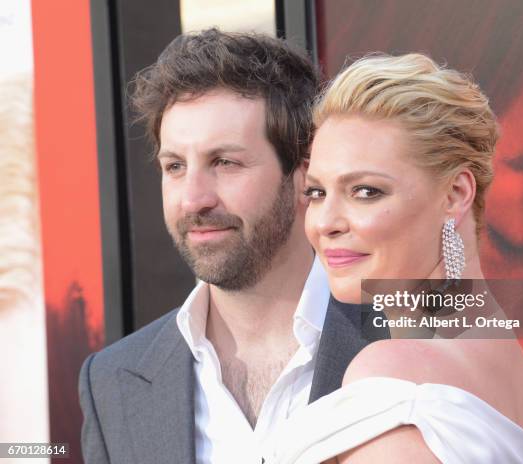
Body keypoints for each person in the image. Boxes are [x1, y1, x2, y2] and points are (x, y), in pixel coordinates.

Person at [78, 29, 387, 464]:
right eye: (175, 166)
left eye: (225, 162)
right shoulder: (112, 381)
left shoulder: (416, 328)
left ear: (304, 177)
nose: (193, 199)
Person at [265, 53, 523, 463]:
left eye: (366, 191)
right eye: (317, 193)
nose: (325, 223)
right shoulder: (517, 372)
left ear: (455, 195)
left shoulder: (393, 374)